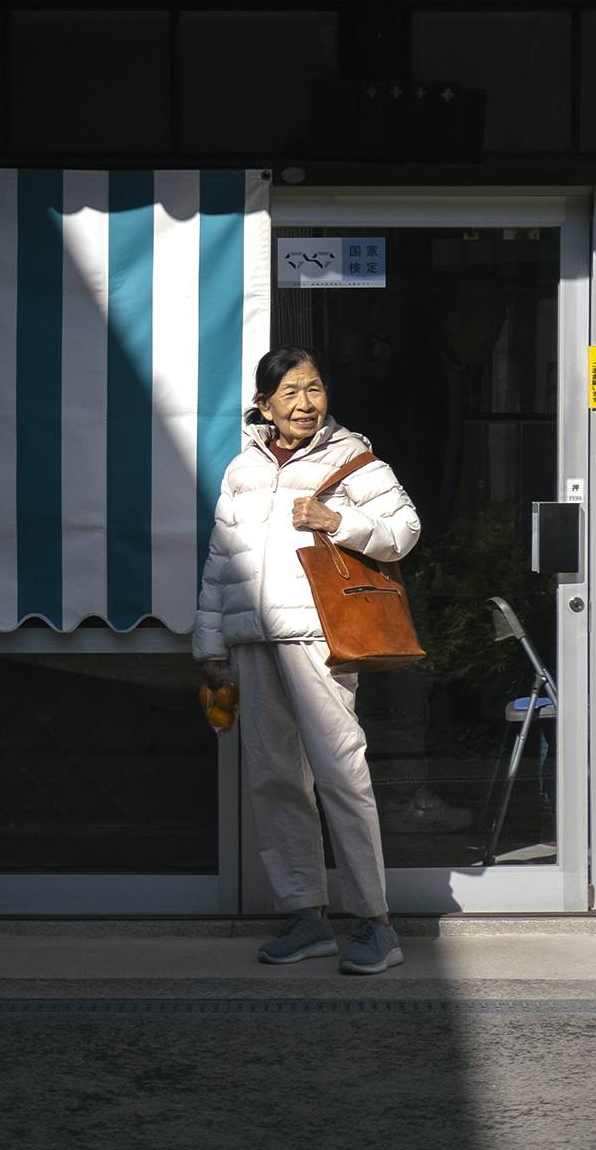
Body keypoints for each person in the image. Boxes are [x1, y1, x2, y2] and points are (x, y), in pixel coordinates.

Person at [193, 346, 421, 974]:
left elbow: (405, 530)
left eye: (314, 389)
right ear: (264, 406)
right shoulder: (241, 471)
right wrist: (210, 646)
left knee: (340, 774)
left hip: (321, 638)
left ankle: (375, 923)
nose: (304, 402)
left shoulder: (352, 458)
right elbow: (220, 566)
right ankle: (305, 915)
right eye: (289, 392)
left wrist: (336, 518)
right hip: (253, 642)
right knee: (273, 779)